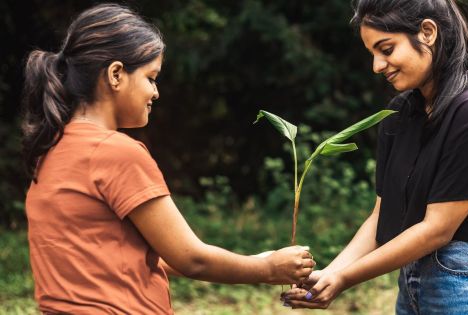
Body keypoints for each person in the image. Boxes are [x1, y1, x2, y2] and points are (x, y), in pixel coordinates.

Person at [21, 4, 314, 314]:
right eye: (151, 77)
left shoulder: (51, 150)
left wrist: (254, 262)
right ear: (116, 74)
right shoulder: (116, 152)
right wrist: (268, 269)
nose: (156, 92)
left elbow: (128, 254)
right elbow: (191, 259)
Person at [283, 0, 468, 313]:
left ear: (428, 32)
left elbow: (436, 229)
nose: (376, 66)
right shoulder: (400, 114)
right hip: (416, 285)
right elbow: (383, 216)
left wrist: (344, 278)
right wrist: (330, 274)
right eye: (372, 54)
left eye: (386, 49)